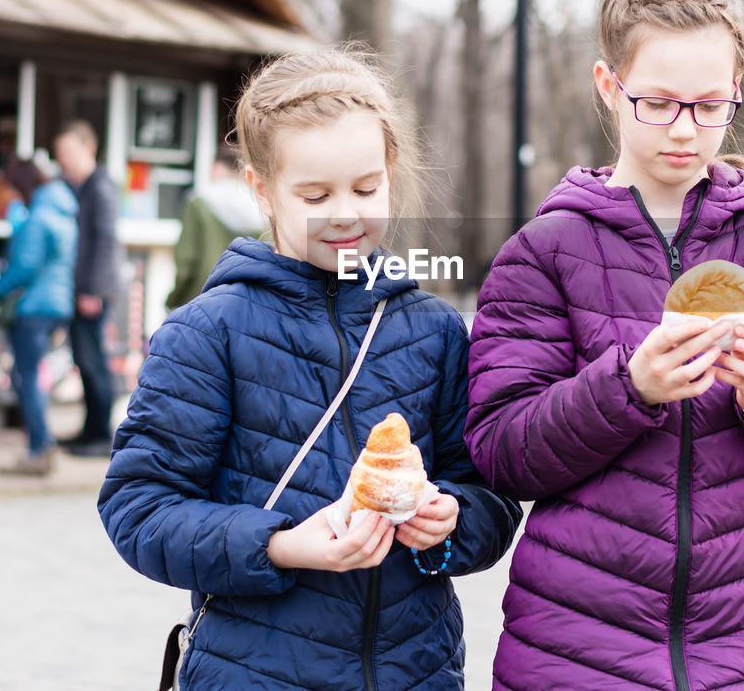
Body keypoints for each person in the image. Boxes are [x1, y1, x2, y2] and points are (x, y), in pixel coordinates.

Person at [464, 0, 744, 690]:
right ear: (609, 86)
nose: (684, 130)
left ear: (736, 94)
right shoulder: (541, 253)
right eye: (656, 102)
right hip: (575, 648)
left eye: (710, 104)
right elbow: (501, 451)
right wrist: (628, 387)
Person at [98, 46, 522, 690]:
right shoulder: (205, 334)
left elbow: (490, 495)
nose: (346, 213)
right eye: (315, 194)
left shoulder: (435, 331)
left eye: (365, 187)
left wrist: (451, 521)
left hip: (417, 672)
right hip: (252, 672)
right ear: (261, 191)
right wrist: (280, 544)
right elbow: (139, 507)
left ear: (391, 171)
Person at [0, 157, 77, 476]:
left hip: (33, 307)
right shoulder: (64, 213)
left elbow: (24, 269)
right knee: (33, 376)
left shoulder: (37, 218)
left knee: (26, 378)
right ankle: (41, 446)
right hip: (56, 304)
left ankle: (39, 450)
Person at [53, 121, 122, 458]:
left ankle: (100, 436)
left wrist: (92, 290)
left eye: (68, 152)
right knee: (84, 359)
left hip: (94, 291)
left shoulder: (100, 188)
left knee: (93, 361)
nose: (62, 159)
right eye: (59, 153)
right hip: (84, 289)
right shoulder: (82, 186)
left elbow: (106, 240)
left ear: (88, 149)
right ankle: (89, 430)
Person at [165, 145, 267, 310]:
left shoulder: (199, 202)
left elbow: (187, 262)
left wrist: (174, 301)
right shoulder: (262, 207)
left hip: (202, 302)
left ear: (217, 168)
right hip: (248, 305)